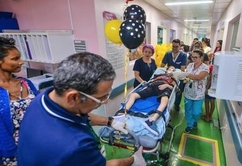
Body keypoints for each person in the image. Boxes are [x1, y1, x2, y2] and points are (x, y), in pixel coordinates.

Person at [17, 52, 146, 166]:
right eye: (100, 98)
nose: (105, 101)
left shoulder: (42, 100)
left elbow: (79, 115)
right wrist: (133, 160)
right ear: (73, 97)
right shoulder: (75, 146)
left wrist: (110, 122)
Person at [0, 37, 39, 166]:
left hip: (38, 143)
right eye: (15, 59)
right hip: (11, 152)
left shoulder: (26, 83)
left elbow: (41, 111)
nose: (21, 62)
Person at [123, 66, 178, 136]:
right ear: (166, 70)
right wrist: (146, 85)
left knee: (164, 100)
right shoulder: (158, 75)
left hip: (164, 87)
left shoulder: (173, 79)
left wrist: (167, 85)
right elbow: (150, 82)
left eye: (173, 70)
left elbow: (174, 89)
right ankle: (123, 112)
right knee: (133, 95)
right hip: (152, 86)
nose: (171, 70)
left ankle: (151, 121)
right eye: (170, 69)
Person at [177, 49, 209, 133]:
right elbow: (187, 77)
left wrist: (187, 74)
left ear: (201, 57)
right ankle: (189, 124)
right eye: (192, 57)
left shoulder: (205, 68)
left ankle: (195, 120)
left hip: (199, 94)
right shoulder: (190, 65)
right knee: (188, 110)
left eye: (196, 57)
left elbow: (198, 77)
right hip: (188, 92)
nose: (193, 59)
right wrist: (184, 78)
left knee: (197, 112)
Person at [161, 39, 187, 111]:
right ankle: (168, 104)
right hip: (169, 77)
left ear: (180, 46)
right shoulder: (168, 54)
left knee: (178, 92)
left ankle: (176, 104)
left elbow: (182, 68)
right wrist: (168, 70)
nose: (174, 48)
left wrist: (174, 71)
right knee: (168, 91)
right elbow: (162, 65)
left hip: (178, 77)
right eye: (173, 46)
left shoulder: (183, 55)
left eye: (176, 46)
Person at [202, 52, 216, 122]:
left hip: (210, 86)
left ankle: (207, 116)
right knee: (213, 101)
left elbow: (210, 78)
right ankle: (210, 115)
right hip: (215, 87)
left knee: (207, 101)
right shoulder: (216, 67)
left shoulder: (210, 67)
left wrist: (207, 87)